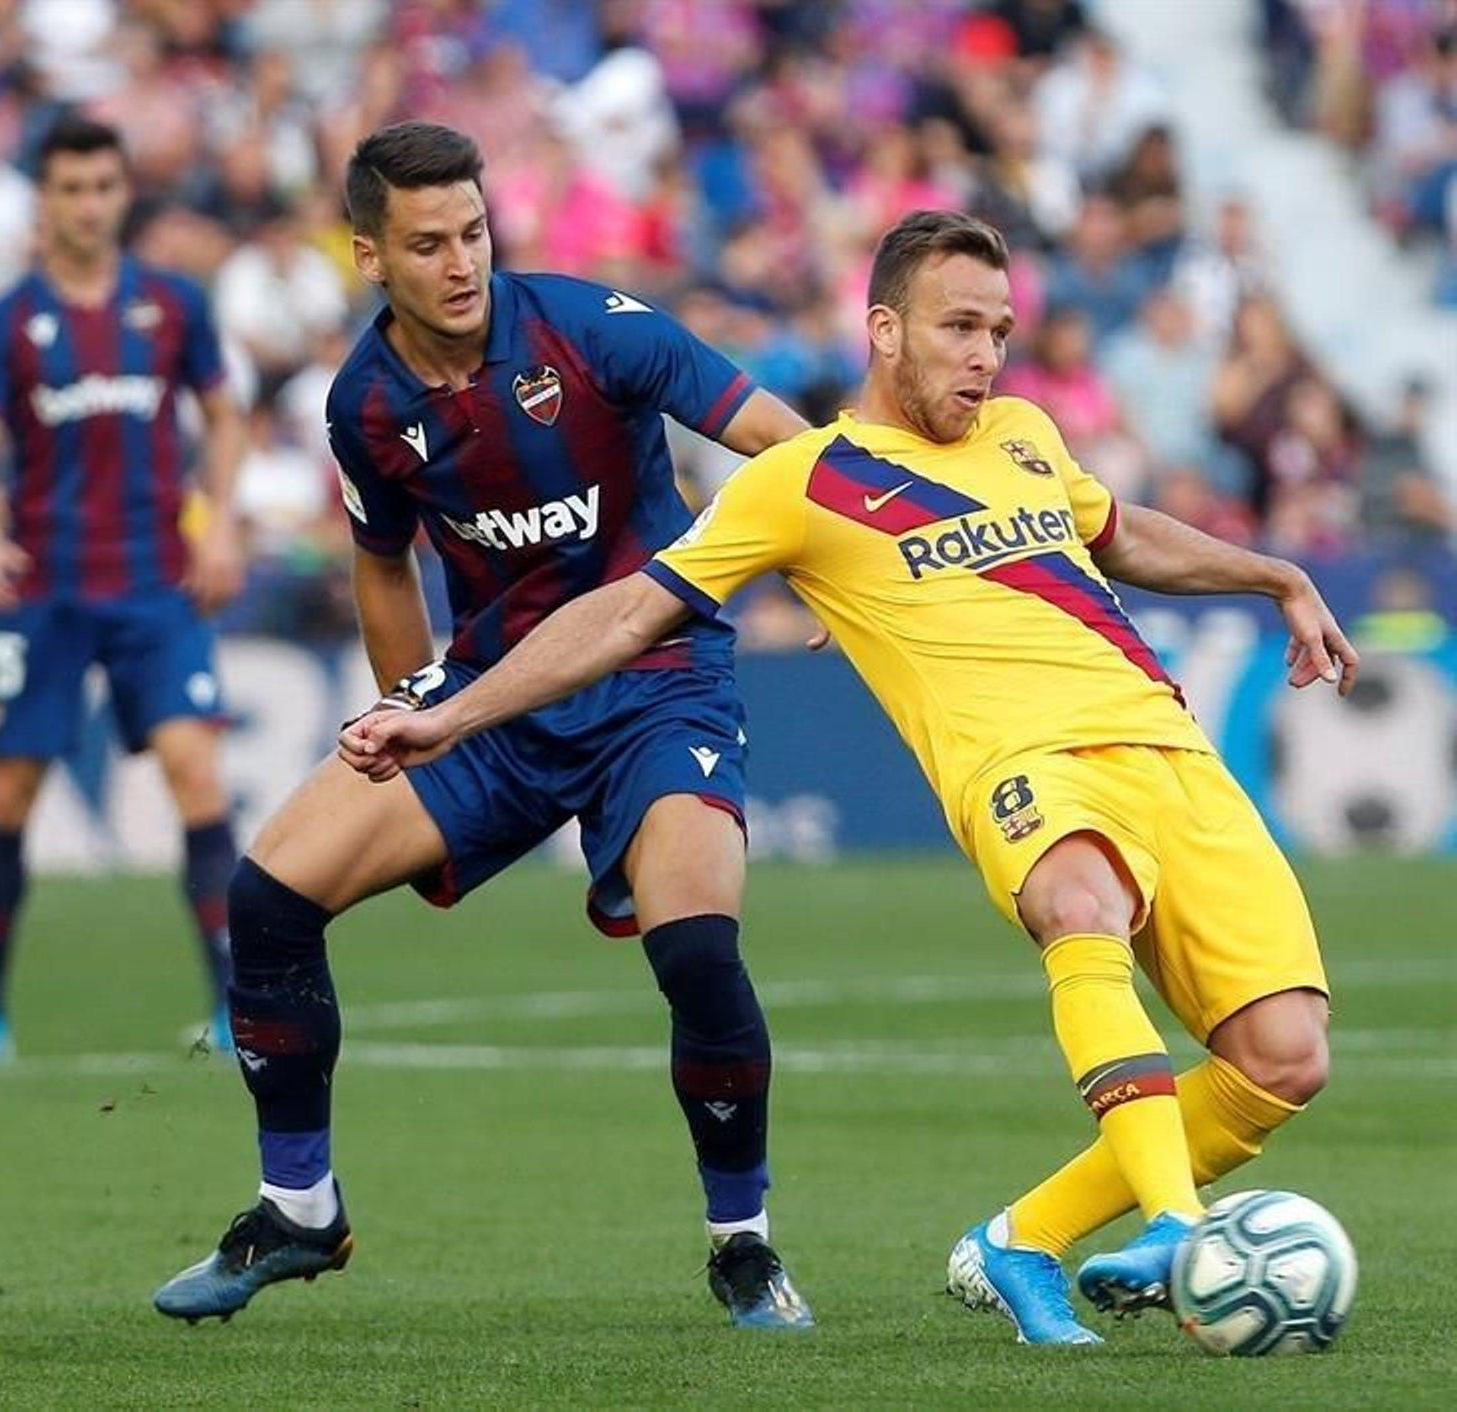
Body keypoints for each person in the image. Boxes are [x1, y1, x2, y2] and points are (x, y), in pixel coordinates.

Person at [348, 210, 1359, 1345]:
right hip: (1024, 769)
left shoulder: (1025, 433)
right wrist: (451, 709)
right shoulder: (800, 482)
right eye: (958, 326)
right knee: (1081, 901)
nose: (984, 354)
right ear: (884, 329)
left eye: (999, 329)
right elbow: (630, 611)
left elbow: (1120, 535)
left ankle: (1019, 1238)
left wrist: (1272, 574)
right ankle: (1178, 1220)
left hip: (1172, 753)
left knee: (1283, 1056)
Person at [150, 122, 814, 1330]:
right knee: (268, 899)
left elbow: (786, 443)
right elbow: (383, 565)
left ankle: (744, 1245)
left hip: (656, 680)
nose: (462, 263)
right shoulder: (364, 404)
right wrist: (413, 708)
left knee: (697, 950)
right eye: (427, 243)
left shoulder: (591, 327)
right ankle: (298, 1208)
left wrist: (827, 568)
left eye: (473, 232)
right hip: (496, 698)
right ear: (368, 255)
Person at [0, 115, 247, 1069]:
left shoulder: (174, 305)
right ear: (46, 200)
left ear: (121, 194)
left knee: (197, 774)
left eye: (103, 186)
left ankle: (234, 1009)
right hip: (48, 588)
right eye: (70, 188)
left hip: (157, 582)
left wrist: (222, 520)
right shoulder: (8, 319)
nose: (88, 204)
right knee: (10, 791)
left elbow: (227, 417)